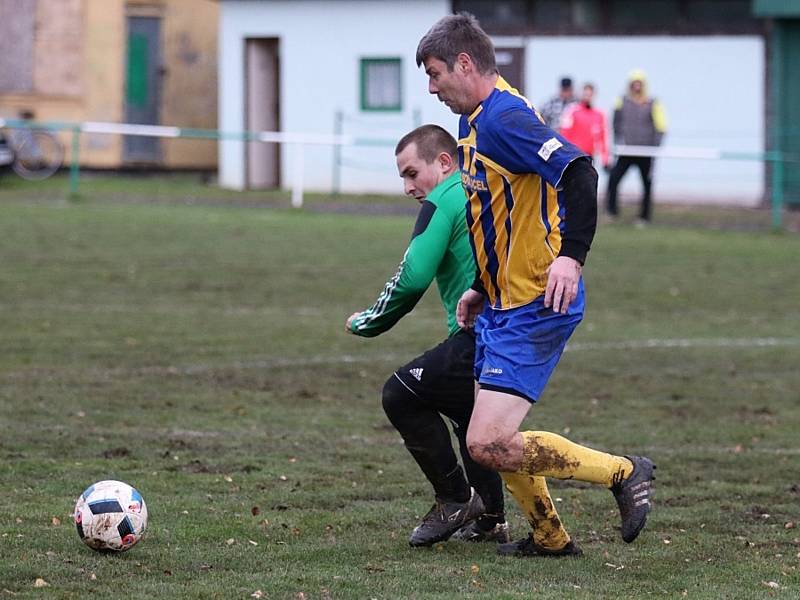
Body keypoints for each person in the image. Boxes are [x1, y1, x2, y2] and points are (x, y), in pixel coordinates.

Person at [416, 13, 655, 558]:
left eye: (435, 74)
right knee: (493, 439)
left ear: (466, 63)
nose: (432, 89)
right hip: (503, 300)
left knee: (485, 443)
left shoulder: (504, 119)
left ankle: (623, 473)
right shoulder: (472, 120)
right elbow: (495, 210)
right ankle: (549, 537)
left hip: (538, 301)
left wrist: (572, 257)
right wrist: (479, 282)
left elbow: (579, 173)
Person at [345, 124, 509, 547]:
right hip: (510, 327)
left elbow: (412, 277)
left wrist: (368, 320)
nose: (407, 187)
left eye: (411, 173)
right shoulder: (484, 188)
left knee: (400, 394)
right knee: (466, 413)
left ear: (443, 162)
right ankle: (491, 518)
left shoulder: (444, 198)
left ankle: (455, 499)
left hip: (478, 332)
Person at [606, 69, 668, 224]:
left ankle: (644, 217)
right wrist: (617, 142)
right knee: (613, 179)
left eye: (639, 84)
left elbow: (661, 127)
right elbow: (615, 122)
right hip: (626, 151)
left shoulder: (653, 102)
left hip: (645, 152)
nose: (637, 87)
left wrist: (654, 147)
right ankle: (611, 212)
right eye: (634, 84)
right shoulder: (622, 101)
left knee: (647, 184)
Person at [560, 83, 609, 170]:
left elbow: (602, 137)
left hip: (589, 156)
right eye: (585, 94)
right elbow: (564, 133)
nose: (587, 97)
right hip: (574, 155)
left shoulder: (599, 114)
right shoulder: (572, 111)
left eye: (590, 94)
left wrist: (605, 159)